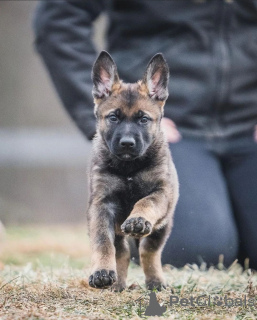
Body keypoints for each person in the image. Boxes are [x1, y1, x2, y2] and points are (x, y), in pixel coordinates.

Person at [33, 0, 257, 269]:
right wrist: (119, 111)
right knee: (196, 251)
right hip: (170, 132)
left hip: (249, 123)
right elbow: (59, 17)